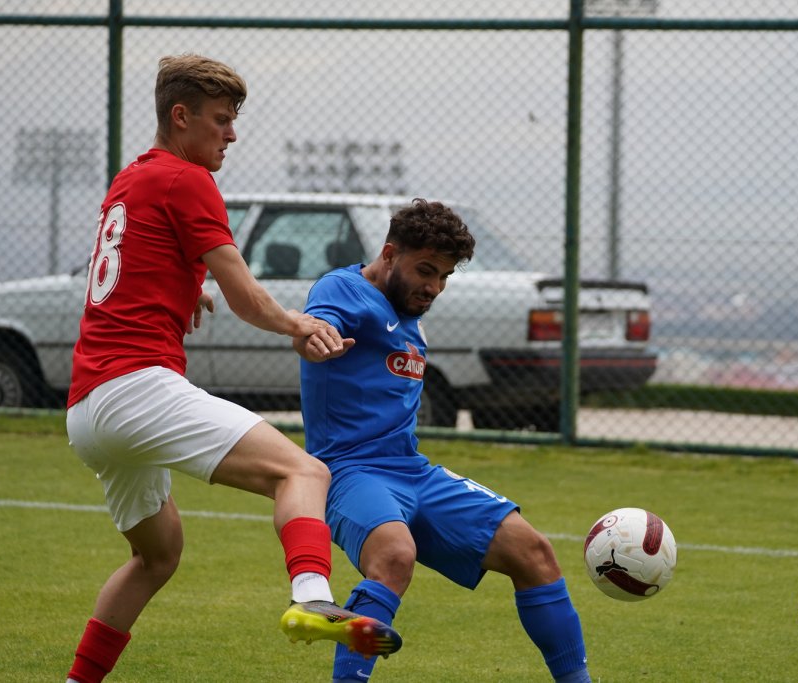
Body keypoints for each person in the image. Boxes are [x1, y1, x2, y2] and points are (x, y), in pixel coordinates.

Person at [63, 54, 399, 683]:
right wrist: (299, 322)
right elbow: (246, 293)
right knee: (302, 470)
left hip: (87, 411)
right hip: (136, 388)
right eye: (221, 120)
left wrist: (184, 287)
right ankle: (311, 600)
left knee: (157, 558)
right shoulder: (188, 180)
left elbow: (133, 263)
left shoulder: (131, 178)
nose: (232, 135)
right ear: (181, 116)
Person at [295, 198, 591, 683]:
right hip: (350, 472)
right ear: (390, 254)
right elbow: (317, 326)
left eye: (445, 277)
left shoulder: (410, 313)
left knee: (533, 552)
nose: (434, 287)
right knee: (394, 555)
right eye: (426, 271)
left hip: (412, 471)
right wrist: (314, 337)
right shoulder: (343, 288)